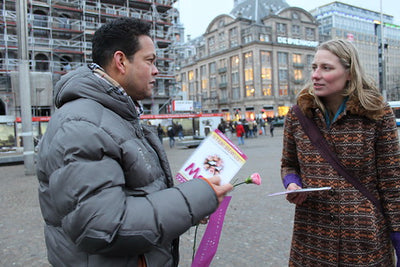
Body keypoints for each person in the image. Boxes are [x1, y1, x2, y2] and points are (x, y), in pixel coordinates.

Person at [35, 18, 233, 267]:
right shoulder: (82, 124)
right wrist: (194, 198)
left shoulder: (115, 115)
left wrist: (188, 211)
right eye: (149, 61)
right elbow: (102, 226)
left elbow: (142, 196)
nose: (156, 70)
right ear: (121, 61)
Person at [280, 39, 400, 266]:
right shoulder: (298, 115)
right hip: (311, 239)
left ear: (349, 72)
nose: (316, 74)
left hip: (365, 239)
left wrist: (398, 237)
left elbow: (392, 183)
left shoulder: (377, 114)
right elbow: (288, 163)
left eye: (327, 68)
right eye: (314, 67)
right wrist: (292, 182)